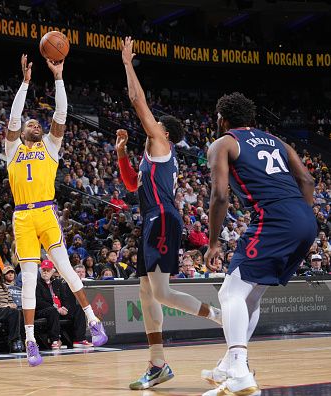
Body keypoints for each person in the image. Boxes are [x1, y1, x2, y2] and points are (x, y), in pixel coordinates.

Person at [117, 37, 221, 390]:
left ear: (164, 134)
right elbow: (132, 185)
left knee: (160, 292)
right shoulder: (152, 156)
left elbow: (136, 100)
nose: (150, 126)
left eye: (154, 124)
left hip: (162, 219)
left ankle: (221, 319)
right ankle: (158, 364)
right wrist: (120, 154)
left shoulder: (161, 144)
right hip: (152, 219)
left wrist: (128, 63)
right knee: (147, 293)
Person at [202, 92, 317, 396]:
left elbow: (220, 196)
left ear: (222, 119)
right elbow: (306, 180)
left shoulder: (223, 143)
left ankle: (240, 369)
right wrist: (305, 223)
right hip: (304, 218)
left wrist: (213, 243)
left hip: (275, 217)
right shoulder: (277, 141)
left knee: (230, 292)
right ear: (251, 119)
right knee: (250, 296)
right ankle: (228, 365)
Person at [5, 54, 106, 367]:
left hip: (47, 213)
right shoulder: (12, 150)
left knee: (65, 268)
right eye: (31, 123)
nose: (36, 125)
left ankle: (92, 320)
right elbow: (13, 117)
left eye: (38, 123)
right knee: (29, 277)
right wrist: (24, 84)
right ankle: (31, 341)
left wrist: (59, 76)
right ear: (23, 131)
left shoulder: (50, 146)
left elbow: (61, 113)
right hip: (22, 216)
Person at [35, 260, 92, 349]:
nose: (45, 272)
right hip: (44, 310)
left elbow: (65, 298)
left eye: (48, 270)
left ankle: (79, 339)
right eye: (43, 270)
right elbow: (39, 301)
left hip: (60, 310)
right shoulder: (36, 284)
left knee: (78, 309)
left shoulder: (57, 283)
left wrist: (65, 308)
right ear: (40, 271)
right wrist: (56, 308)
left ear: (52, 272)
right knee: (52, 311)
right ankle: (55, 340)